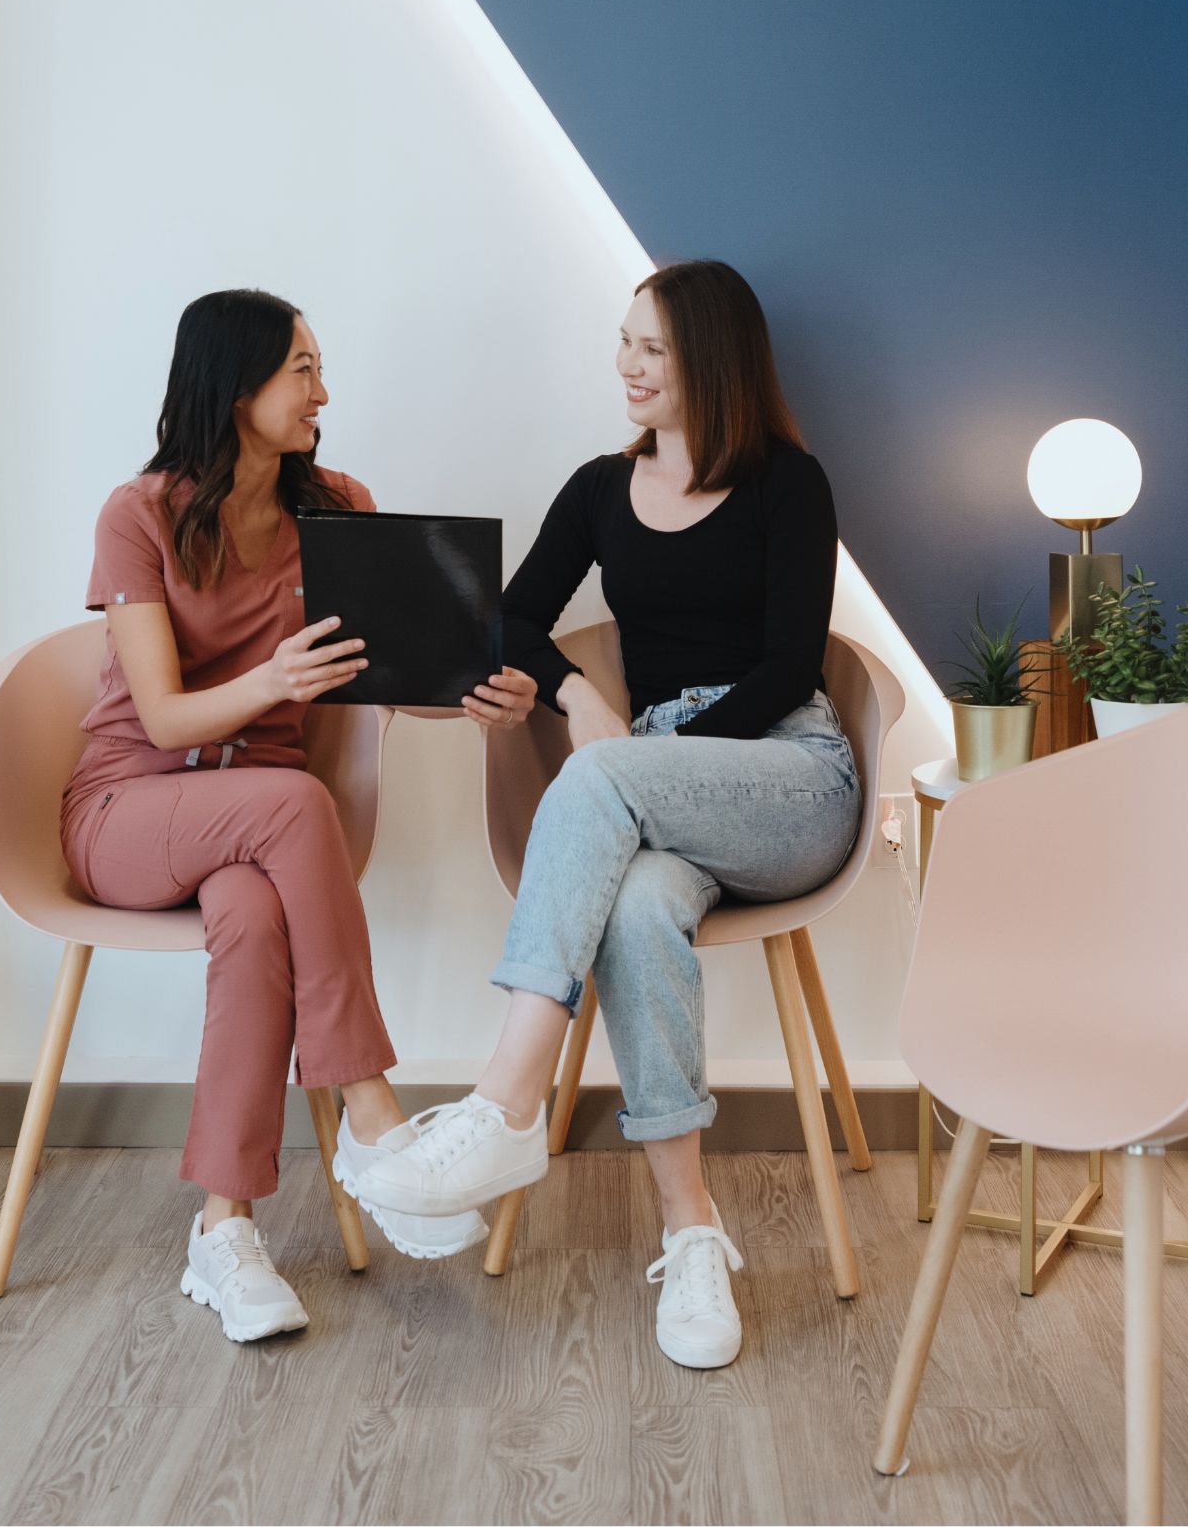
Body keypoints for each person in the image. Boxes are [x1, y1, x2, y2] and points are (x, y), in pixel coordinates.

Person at [346, 260, 858, 1370]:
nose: (625, 364)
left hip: (787, 777)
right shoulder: (596, 489)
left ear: (710, 364)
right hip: (659, 792)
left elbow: (787, 663)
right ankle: (694, 1232)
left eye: (652, 350)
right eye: (623, 341)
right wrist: (579, 695)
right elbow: (511, 618)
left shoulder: (788, 484)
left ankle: (504, 1105)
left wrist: (638, 754)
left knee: (601, 779)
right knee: (630, 913)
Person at [62, 288, 535, 1341]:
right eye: (302, 371)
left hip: (257, 837)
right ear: (235, 391)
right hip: (130, 807)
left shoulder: (336, 505)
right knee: (290, 798)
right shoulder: (135, 513)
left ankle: (223, 1231)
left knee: (252, 916)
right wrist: (275, 678)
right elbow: (167, 713)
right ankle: (370, 1112)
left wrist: (468, 691)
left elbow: (382, 675)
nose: (325, 392)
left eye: (319, 369)